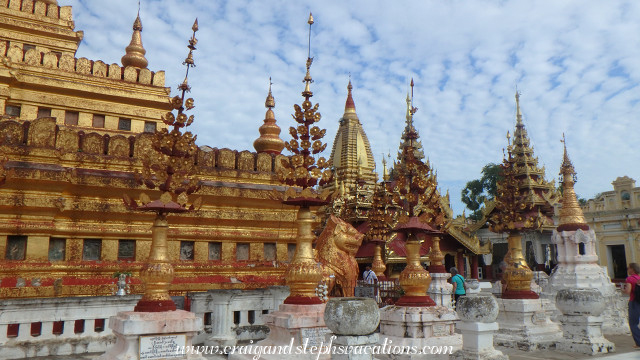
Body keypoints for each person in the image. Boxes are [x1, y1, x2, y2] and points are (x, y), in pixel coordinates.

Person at [623, 263, 640, 348]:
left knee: (633, 323)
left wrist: (623, 289)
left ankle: (638, 342)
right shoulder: (639, 278)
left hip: (634, 302)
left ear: (632, 269)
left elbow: (628, 291)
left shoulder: (630, 279)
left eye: (628, 268)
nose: (628, 270)